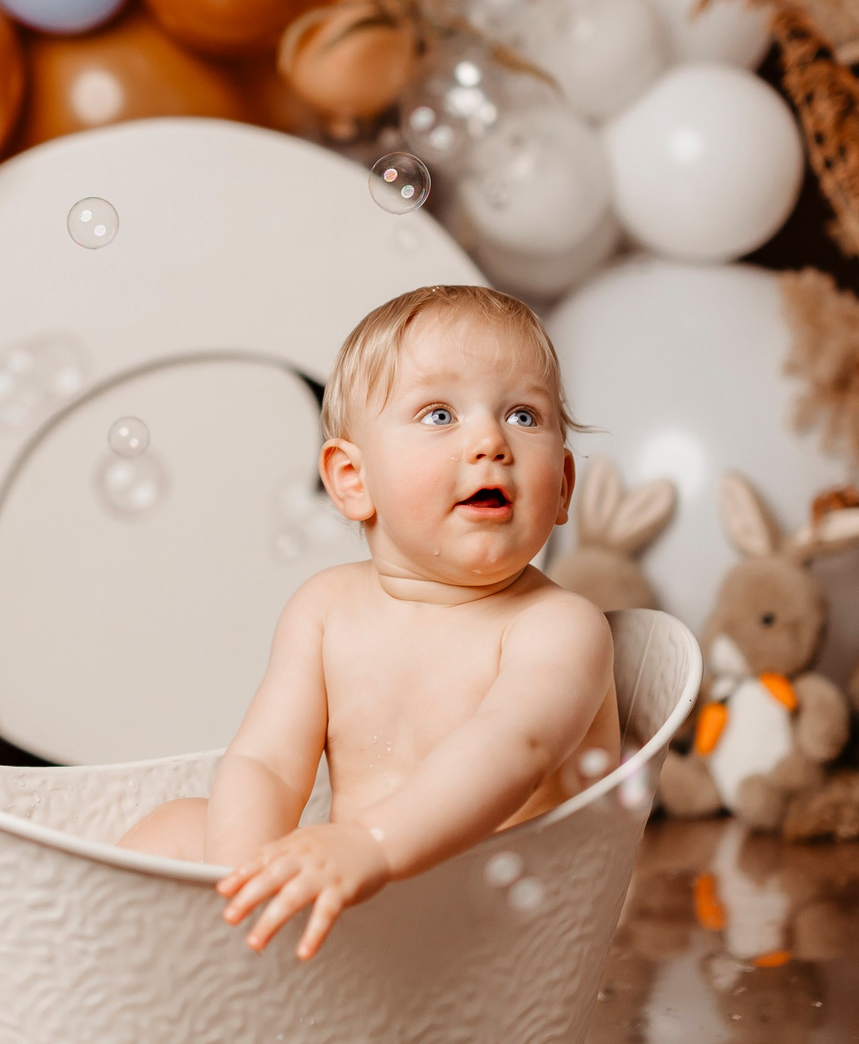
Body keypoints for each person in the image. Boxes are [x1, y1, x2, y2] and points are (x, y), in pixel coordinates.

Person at [118, 283, 619, 959]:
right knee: (178, 827)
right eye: (440, 414)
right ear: (353, 479)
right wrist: (241, 879)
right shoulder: (325, 609)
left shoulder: (559, 627)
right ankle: (147, 991)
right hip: (356, 902)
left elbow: (514, 747)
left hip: (482, 937)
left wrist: (372, 843)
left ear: (561, 485)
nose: (490, 440)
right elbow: (266, 762)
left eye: (525, 415)